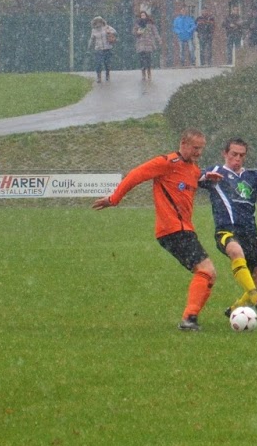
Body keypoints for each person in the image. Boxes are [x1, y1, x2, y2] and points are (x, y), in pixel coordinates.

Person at [93, 129, 220, 331]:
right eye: (195, 148)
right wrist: (114, 199)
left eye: (201, 149)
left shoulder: (193, 169)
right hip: (173, 230)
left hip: (184, 230)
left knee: (208, 274)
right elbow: (136, 175)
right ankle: (188, 319)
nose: (198, 153)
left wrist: (205, 177)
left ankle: (191, 318)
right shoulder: (167, 163)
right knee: (207, 271)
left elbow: (189, 180)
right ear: (183, 143)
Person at [202, 138, 257, 314]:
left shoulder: (253, 177)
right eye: (234, 154)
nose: (237, 158)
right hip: (227, 231)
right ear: (225, 154)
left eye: (241, 155)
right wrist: (204, 177)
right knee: (235, 251)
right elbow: (194, 177)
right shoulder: (216, 171)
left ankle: (234, 309)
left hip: (251, 236)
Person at [89, 16, 118, 82]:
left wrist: (109, 32)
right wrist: (90, 46)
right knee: (98, 63)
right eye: (96, 22)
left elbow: (115, 33)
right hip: (98, 49)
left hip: (107, 48)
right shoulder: (93, 30)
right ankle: (99, 77)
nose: (98, 23)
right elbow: (92, 39)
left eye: (99, 21)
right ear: (94, 23)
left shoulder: (107, 27)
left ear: (102, 22)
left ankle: (107, 74)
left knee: (107, 63)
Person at [134, 12, 161, 81]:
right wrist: (137, 33)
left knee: (148, 59)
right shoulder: (137, 24)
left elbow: (155, 32)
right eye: (141, 15)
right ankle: (143, 74)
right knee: (142, 60)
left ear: (146, 16)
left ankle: (149, 73)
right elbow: (134, 32)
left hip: (148, 43)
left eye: (144, 15)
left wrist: (159, 40)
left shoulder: (150, 24)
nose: (143, 16)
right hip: (140, 44)